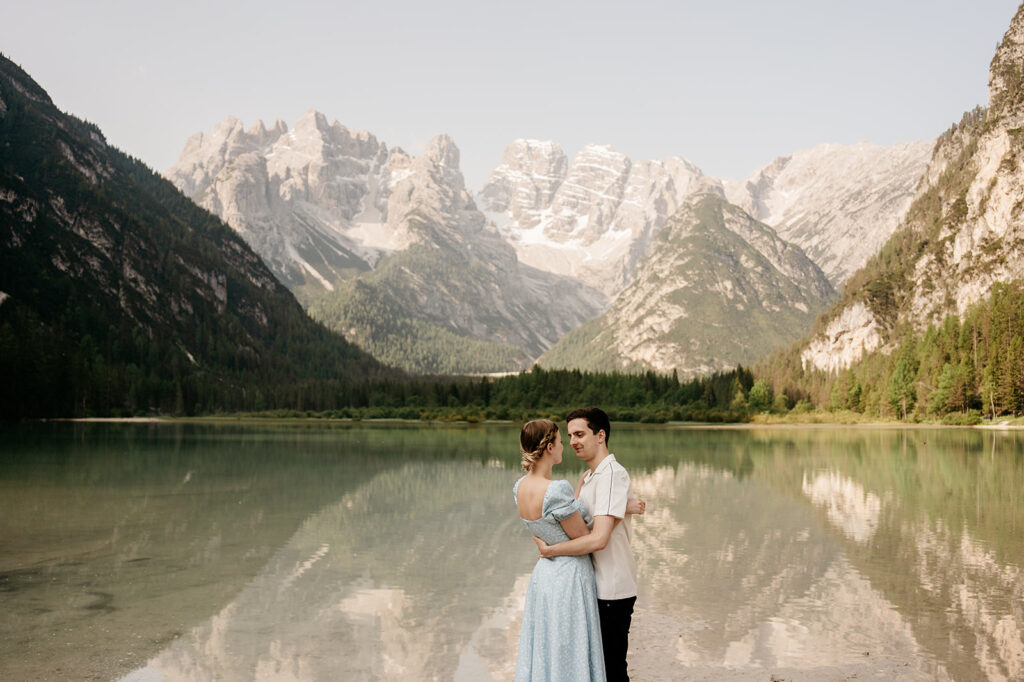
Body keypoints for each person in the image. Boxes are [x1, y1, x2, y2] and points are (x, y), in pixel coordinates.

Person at [535, 407, 641, 682]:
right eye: (570, 435)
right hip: (593, 585)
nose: (573, 442)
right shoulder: (591, 477)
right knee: (597, 669)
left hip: (612, 589)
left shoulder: (611, 474)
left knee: (612, 669)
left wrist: (551, 550)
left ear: (601, 435)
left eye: (580, 434)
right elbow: (579, 526)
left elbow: (599, 538)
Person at [513, 418, 606, 681]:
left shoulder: (519, 487)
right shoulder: (555, 489)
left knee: (546, 645)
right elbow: (584, 537)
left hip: (544, 577)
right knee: (569, 645)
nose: (564, 447)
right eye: (561, 442)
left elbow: (557, 520)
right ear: (549, 448)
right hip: (569, 576)